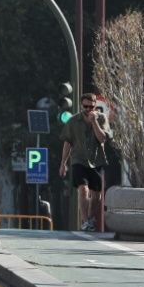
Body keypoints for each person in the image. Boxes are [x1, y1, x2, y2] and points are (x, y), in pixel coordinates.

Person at [58, 91, 111, 231]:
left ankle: (90, 216)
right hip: (79, 159)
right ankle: (86, 220)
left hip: (97, 160)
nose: (88, 110)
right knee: (83, 189)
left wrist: (94, 122)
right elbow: (67, 143)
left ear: (95, 106)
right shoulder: (73, 121)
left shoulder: (101, 118)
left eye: (91, 107)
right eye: (85, 107)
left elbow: (102, 139)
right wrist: (63, 163)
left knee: (97, 195)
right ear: (82, 105)